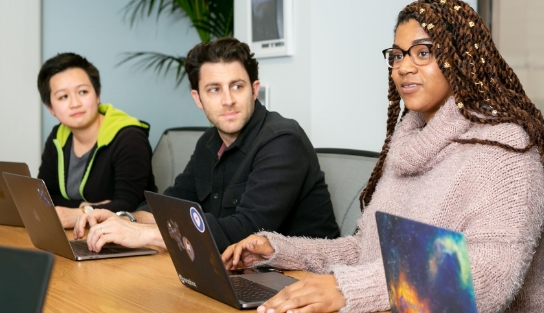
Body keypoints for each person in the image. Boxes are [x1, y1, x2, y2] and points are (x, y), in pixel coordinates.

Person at [221, 0, 544, 313]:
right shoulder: (408, 144)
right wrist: (279, 251)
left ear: (462, 60)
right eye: (397, 56)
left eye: (423, 52)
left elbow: (489, 278)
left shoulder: (504, 148)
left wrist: (349, 290)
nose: (403, 67)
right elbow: (367, 251)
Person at [74, 37, 339, 252]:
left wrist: (143, 234)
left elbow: (246, 231)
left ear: (254, 89)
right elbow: (172, 204)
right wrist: (126, 219)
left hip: (301, 280)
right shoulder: (209, 142)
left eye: (237, 86)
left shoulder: (282, 140)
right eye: (214, 89)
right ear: (198, 98)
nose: (228, 100)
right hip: (239, 273)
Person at [37, 53, 156, 229]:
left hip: (132, 237)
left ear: (98, 95)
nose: (75, 103)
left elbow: (128, 205)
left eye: (83, 92)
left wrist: (80, 214)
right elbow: (45, 196)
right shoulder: (58, 136)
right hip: (81, 233)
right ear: (50, 108)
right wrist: (83, 206)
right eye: (63, 96)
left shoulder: (129, 137)